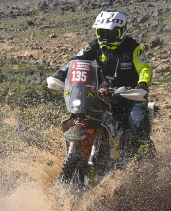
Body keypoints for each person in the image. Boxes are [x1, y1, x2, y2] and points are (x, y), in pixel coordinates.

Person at [51, 9, 156, 162]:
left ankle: (144, 150)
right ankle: (80, 152)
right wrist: (59, 75)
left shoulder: (132, 47)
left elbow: (144, 68)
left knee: (138, 120)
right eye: (102, 32)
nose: (106, 37)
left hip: (131, 95)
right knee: (83, 114)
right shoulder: (94, 45)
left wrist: (143, 84)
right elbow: (76, 60)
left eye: (110, 33)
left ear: (121, 31)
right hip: (103, 92)